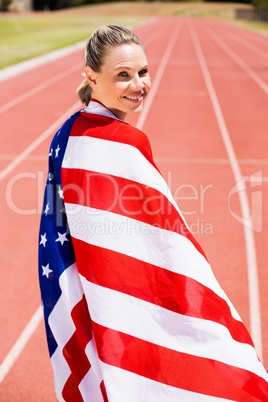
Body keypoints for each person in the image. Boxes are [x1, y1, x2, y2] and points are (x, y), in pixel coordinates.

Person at [39, 25, 268, 402]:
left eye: (143, 72)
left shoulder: (67, 132)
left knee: (104, 371)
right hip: (109, 279)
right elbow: (163, 235)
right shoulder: (123, 141)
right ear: (91, 78)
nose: (138, 84)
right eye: (123, 75)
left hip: (75, 275)